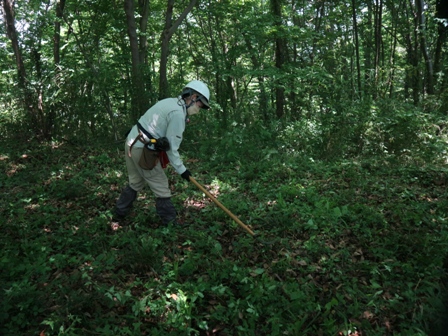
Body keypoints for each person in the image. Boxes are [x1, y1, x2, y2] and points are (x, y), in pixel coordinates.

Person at [114, 80, 210, 225]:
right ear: (193, 97)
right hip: (142, 149)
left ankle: (118, 215)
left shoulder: (170, 102)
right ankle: (169, 223)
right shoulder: (178, 114)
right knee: (161, 186)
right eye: (200, 104)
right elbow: (172, 147)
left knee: (135, 182)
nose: (199, 108)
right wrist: (183, 170)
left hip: (131, 142)